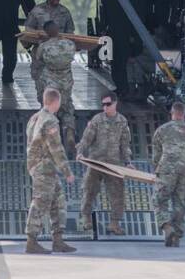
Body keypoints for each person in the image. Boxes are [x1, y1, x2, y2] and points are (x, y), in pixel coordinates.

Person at [23, 87, 76, 254]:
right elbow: (56, 149)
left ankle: (58, 240)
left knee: (58, 202)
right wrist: (67, 171)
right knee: (40, 202)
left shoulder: (34, 118)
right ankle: (31, 241)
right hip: (44, 168)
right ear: (56, 102)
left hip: (42, 167)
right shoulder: (50, 120)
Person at [76, 92, 132, 234]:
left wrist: (127, 162)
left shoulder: (122, 121)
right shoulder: (97, 120)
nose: (105, 107)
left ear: (115, 104)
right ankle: (86, 219)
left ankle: (114, 223)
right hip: (96, 162)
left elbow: (125, 144)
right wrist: (80, 152)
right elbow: (86, 139)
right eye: (103, 105)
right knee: (89, 190)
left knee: (117, 193)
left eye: (108, 104)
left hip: (114, 164)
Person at [151, 101, 185, 247]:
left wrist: (157, 169)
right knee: (180, 202)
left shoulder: (162, 130)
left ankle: (167, 226)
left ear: (172, 113)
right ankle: (176, 235)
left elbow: (156, 154)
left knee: (160, 199)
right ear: (184, 115)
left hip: (167, 168)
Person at [35, 21, 80, 155]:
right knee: (67, 109)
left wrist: (41, 43)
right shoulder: (69, 44)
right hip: (66, 81)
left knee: (49, 111)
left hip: (50, 82)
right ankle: (70, 134)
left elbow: (38, 59)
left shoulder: (44, 46)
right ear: (58, 30)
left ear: (47, 32)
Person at [25, 0, 75, 85]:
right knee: (41, 89)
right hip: (41, 53)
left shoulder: (64, 12)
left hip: (59, 55)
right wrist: (39, 36)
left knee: (61, 88)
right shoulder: (37, 11)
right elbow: (28, 28)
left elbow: (70, 32)